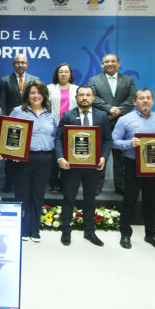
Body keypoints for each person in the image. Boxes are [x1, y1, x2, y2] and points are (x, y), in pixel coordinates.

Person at [112, 88, 155, 250]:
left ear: (152, 101)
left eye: (148, 98)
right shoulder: (125, 120)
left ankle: (151, 235)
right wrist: (129, 143)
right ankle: (125, 233)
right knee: (129, 200)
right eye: (141, 98)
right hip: (132, 165)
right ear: (134, 101)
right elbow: (114, 141)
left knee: (151, 202)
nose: (145, 100)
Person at [0, 80, 56, 242]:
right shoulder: (17, 111)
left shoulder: (50, 114)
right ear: (27, 95)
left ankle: (35, 229)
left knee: (38, 195)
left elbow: (55, 136)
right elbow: (7, 134)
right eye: (32, 93)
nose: (36, 96)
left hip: (45, 159)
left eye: (39, 93)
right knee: (22, 195)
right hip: (23, 160)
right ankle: (23, 228)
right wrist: (12, 153)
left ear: (44, 95)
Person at [55, 86, 113, 247]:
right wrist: (60, 157)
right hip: (71, 166)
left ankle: (89, 231)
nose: (85, 98)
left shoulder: (102, 116)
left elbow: (108, 139)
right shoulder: (68, 115)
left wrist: (104, 156)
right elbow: (58, 138)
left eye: (88, 95)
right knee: (68, 199)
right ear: (76, 97)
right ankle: (66, 230)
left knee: (90, 199)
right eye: (81, 95)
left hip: (93, 167)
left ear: (93, 98)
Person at [88, 53, 136, 195]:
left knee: (120, 157)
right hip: (102, 122)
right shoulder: (94, 80)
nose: (110, 63)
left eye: (113, 61)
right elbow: (93, 98)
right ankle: (96, 186)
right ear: (102, 64)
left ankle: (120, 186)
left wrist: (118, 112)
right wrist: (110, 109)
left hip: (122, 123)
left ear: (118, 64)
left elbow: (132, 98)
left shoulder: (128, 80)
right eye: (106, 62)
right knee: (99, 154)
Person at [0, 54, 40, 193]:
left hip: (31, 122)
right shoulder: (5, 80)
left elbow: (38, 101)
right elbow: (2, 103)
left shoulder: (35, 80)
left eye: (23, 62)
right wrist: (4, 124)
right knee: (10, 154)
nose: (20, 65)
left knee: (28, 154)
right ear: (13, 64)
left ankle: (27, 182)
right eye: (18, 62)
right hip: (12, 123)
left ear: (27, 64)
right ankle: (8, 183)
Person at [47, 63, 79, 193]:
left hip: (71, 127)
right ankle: (54, 183)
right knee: (55, 155)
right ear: (57, 74)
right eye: (61, 72)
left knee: (69, 155)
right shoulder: (49, 88)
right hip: (54, 126)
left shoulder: (77, 89)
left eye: (66, 71)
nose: (63, 74)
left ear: (70, 74)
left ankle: (65, 184)